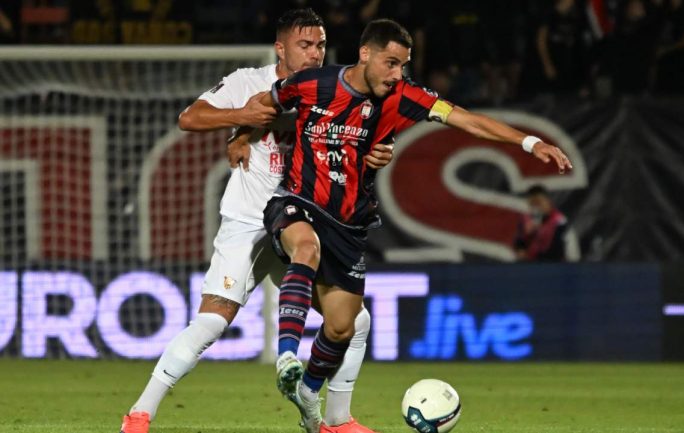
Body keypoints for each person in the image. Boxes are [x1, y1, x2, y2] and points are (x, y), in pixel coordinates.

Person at [230, 18, 572, 433]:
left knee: (341, 327)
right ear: (365, 54)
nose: (397, 74)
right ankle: (287, 357)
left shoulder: (404, 96)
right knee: (305, 247)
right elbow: (265, 104)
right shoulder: (314, 83)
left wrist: (529, 142)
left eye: (403, 66)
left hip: (350, 223)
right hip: (298, 201)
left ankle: (307, 394)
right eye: (391, 63)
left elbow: (465, 119)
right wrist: (240, 135)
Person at [119, 9, 393, 433]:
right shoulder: (248, 81)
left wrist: (376, 153)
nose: (315, 53)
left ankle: (337, 422)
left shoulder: (332, 90)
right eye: (305, 45)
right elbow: (189, 118)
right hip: (249, 220)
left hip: (305, 222)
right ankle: (139, 414)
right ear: (280, 48)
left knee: (355, 322)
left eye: (320, 45)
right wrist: (241, 121)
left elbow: (354, 145)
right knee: (211, 323)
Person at [514, 185, 580, 262]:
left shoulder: (560, 221)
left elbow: (568, 253)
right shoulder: (526, 220)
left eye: (538, 202)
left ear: (548, 201)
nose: (536, 206)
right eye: (532, 203)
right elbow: (519, 246)